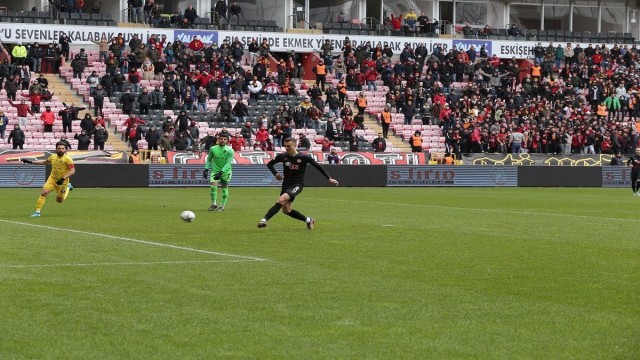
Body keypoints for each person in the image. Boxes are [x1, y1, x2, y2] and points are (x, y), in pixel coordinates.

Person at [257, 137, 339, 229]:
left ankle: (264, 220)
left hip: (297, 185)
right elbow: (269, 164)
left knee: (281, 200)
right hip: (286, 185)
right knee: (287, 210)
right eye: (285, 146)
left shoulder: (304, 157)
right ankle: (308, 220)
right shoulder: (282, 156)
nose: (287, 148)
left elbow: (318, 166)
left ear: (295, 145)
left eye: (289, 146)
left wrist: (329, 178)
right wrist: (275, 174)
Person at [21, 141, 75, 217]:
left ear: (65, 149)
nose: (61, 150)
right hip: (52, 179)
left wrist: (63, 179)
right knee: (44, 192)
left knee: (59, 200)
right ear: (56, 149)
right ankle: (37, 212)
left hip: (63, 181)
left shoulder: (68, 159)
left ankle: (68, 187)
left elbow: (72, 171)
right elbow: (44, 162)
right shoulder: (52, 156)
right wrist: (30, 162)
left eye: (63, 148)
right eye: (59, 148)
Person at [203, 133, 234, 211]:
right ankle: (214, 204)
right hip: (215, 171)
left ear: (227, 141)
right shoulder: (213, 149)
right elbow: (209, 159)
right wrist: (206, 169)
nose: (223, 140)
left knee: (224, 188)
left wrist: (221, 173)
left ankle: (222, 206)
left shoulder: (230, 150)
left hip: (226, 172)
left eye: (225, 139)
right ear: (218, 139)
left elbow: (228, 163)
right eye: (221, 139)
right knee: (213, 187)